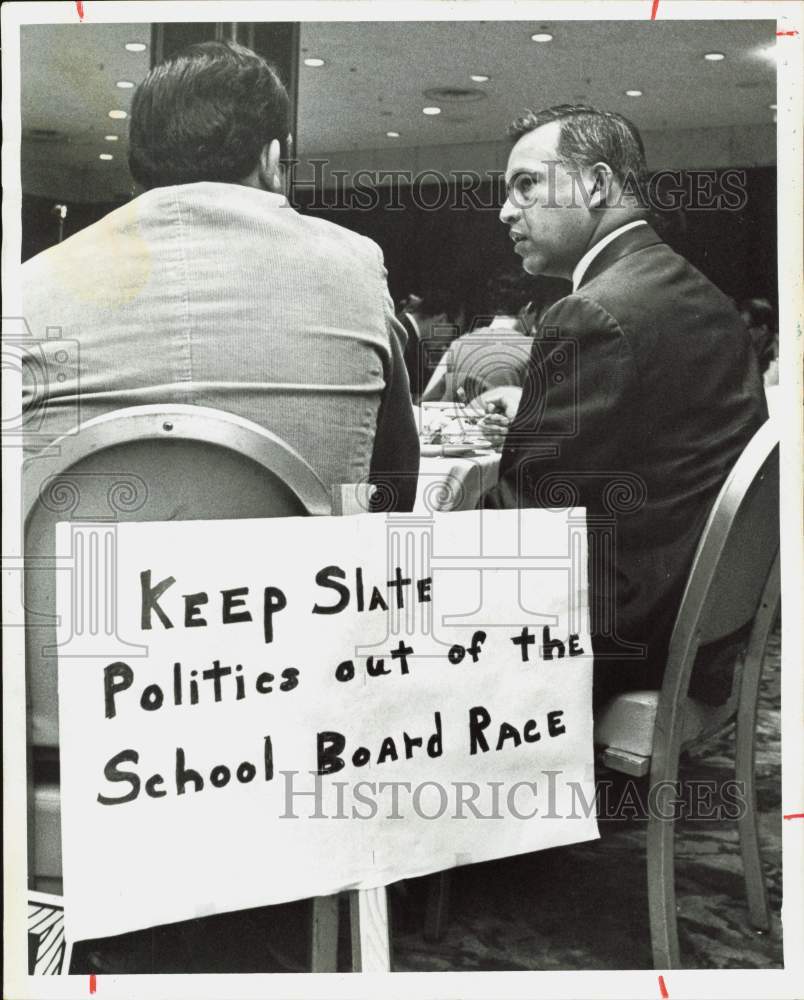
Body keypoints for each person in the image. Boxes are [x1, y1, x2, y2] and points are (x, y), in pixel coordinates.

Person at [22, 40, 418, 511]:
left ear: (137, 168)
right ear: (273, 161)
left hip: (83, 583)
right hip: (304, 582)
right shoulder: (357, 265)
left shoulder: (31, 285)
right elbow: (394, 485)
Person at [479, 105, 768, 706]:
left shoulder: (592, 312)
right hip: (706, 627)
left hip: (619, 638)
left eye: (526, 184)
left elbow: (520, 526)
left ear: (597, 184)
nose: (506, 209)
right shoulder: (704, 295)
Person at [739, 297, 778, 386]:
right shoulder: (755, 348)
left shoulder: (778, 359)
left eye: (746, 327)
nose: (740, 332)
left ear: (763, 329)